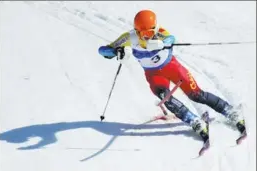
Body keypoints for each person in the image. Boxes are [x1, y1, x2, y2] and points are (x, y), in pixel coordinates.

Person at [98, 9, 246, 143]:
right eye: (141, 33)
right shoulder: (129, 38)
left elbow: (171, 38)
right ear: (136, 31)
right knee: (165, 97)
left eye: (150, 33)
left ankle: (229, 110)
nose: (146, 36)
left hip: (172, 68)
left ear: (155, 28)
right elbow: (103, 50)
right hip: (154, 75)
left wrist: (162, 44)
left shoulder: (160, 32)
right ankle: (193, 121)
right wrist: (115, 52)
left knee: (196, 95)